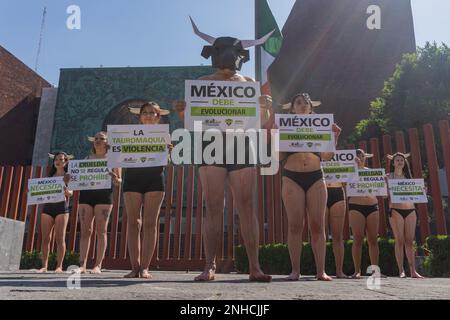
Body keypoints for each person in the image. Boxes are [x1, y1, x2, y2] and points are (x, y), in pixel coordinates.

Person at [189, 19, 274, 282]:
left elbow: (260, 121)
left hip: (242, 144)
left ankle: (254, 266)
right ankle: (209, 265)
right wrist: (186, 111)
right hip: (211, 145)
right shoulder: (203, 82)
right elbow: (194, 122)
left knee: (247, 206)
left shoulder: (249, 81)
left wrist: (264, 106)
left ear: (241, 57)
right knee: (213, 205)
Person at [279, 93, 341, 281]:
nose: (303, 105)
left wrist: (335, 136)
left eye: (306, 103)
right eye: (298, 102)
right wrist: (275, 136)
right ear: (292, 108)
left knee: (318, 225)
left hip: (315, 176)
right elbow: (278, 157)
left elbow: (327, 156)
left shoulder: (320, 126)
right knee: (295, 225)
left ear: (311, 107)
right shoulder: (284, 126)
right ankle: (295, 270)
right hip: (292, 177)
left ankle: (320, 271)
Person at [123, 102, 171, 279]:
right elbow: (120, 154)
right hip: (133, 179)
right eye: (145, 112)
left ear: (159, 116)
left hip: (154, 179)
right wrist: (115, 150)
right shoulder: (127, 135)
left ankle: (145, 267)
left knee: (150, 224)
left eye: (153, 113)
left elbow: (167, 161)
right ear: (140, 116)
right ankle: (134, 267)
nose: (149, 115)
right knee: (133, 223)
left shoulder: (164, 135)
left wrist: (169, 152)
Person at [78, 132, 122, 274]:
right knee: (85, 231)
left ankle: (98, 265)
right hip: (86, 195)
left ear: (107, 142)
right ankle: (82, 265)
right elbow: (78, 177)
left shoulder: (113, 159)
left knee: (101, 231)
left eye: (101, 139)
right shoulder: (86, 158)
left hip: (104, 195)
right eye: (96, 138)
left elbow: (119, 182)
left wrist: (115, 178)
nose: (98, 140)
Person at [387, 152, 423, 278]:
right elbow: (383, 193)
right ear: (393, 162)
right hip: (396, 210)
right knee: (399, 240)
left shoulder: (409, 177)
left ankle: (413, 271)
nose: (400, 162)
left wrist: (422, 191)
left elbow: (416, 194)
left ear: (405, 162)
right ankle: (401, 270)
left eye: (402, 160)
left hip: (410, 210)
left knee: (409, 241)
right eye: (397, 160)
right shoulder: (388, 176)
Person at [37, 152, 73, 273]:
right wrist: (32, 193)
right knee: (46, 238)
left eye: (61, 159)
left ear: (66, 162)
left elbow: (71, 193)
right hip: (47, 208)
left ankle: (59, 266)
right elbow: (40, 192)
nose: (58, 161)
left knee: (60, 238)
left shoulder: (68, 176)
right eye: (56, 159)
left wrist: (67, 191)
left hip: (61, 208)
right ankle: (44, 265)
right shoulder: (49, 177)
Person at [348, 149, 380, 279]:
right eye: (357, 156)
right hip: (356, 206)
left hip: (372, 206)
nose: (360, 158)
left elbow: (379, 186)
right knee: (358, 238)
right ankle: (357, 270)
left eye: (362, 156)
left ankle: (375, 271)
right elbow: (342, 183)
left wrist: (382, 180)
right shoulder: (348, 172)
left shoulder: (371, 172)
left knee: (373, 239)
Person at [325, 180, 348, 278]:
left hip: (338, 190)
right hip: (320, 190)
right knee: (320, 234)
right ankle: (320, 270)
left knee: (338, 236)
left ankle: (339, 270)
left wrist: (346, 178)